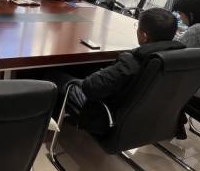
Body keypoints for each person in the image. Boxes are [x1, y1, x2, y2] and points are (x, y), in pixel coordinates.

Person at [51, 8, 183, 134]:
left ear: (144, 36)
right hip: (145, 120)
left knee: (54, 74)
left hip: (107, 119)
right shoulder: (179, 61)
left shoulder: (133, 62)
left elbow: (89, 87)